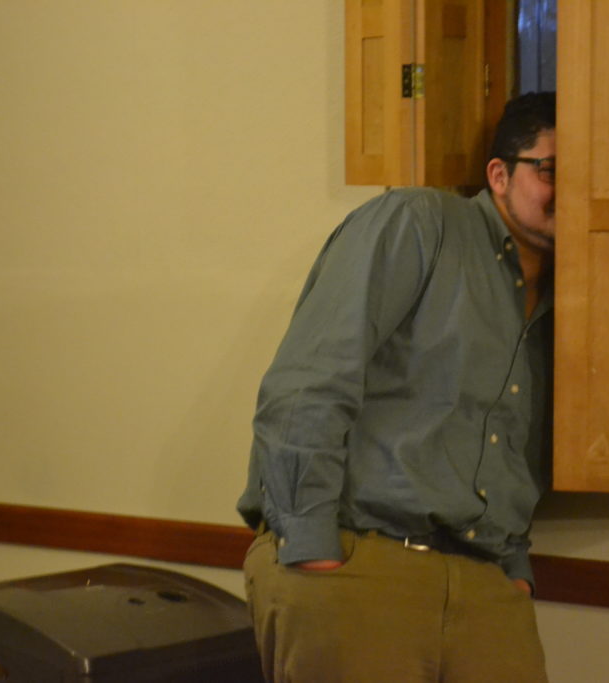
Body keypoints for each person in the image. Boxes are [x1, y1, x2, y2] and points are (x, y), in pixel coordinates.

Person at [237, 91, 556, 682]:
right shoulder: (421, 222)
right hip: (360, 562)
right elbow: (310, 380)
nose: (573, 191)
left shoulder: (575, 298)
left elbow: (511, 446)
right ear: (500, 175)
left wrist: (514, 567)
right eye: (552, 170)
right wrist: (312, 547)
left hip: (485, 583)